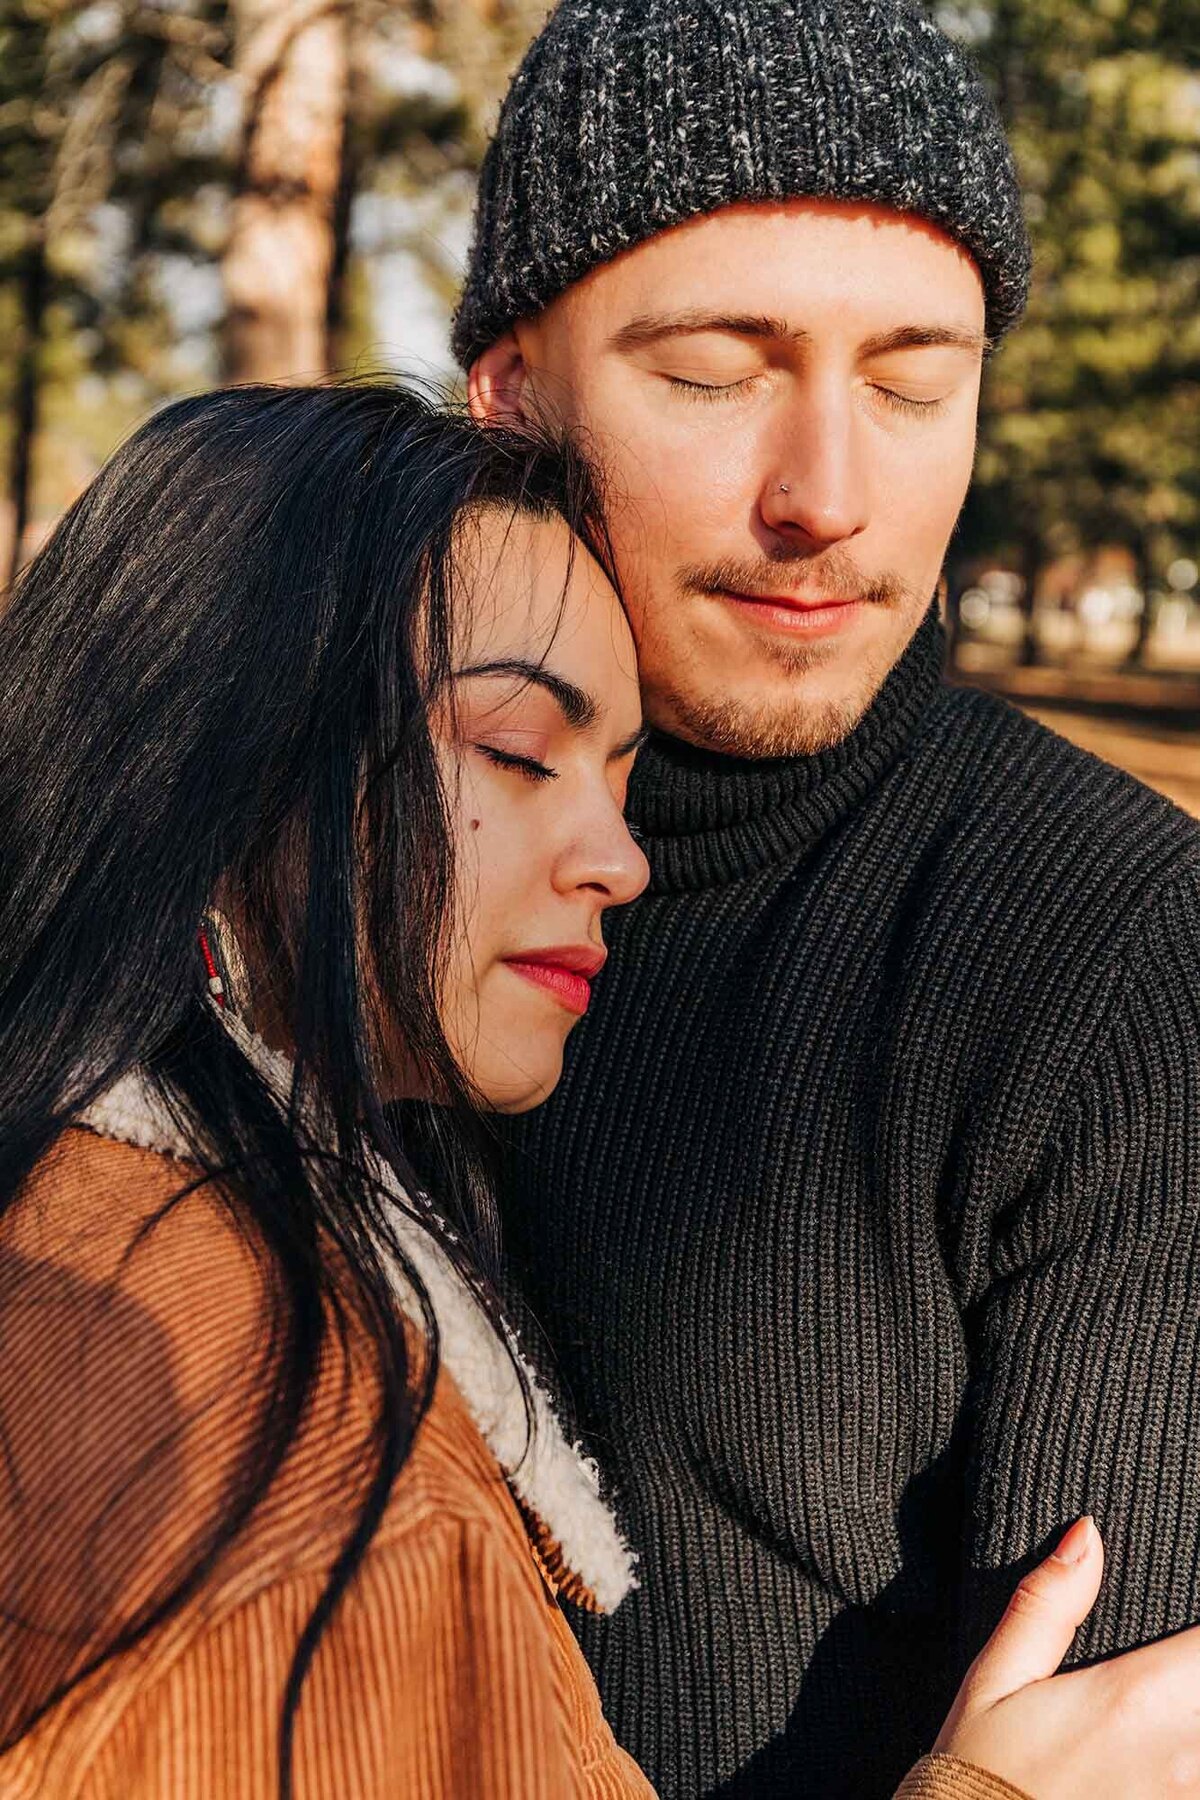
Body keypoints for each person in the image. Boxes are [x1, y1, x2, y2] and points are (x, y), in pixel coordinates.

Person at [3, 381, 1197, 1800]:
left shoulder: (103, 1213)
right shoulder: (310, 1490)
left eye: (618, 779)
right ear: (213, 751)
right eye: (516, 750)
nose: (617, 860)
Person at [455, 1, 1200, 1795]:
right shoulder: (281, 877)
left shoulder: (1114, 950)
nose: (829, 499)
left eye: (913, 381)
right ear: (509, 394)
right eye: (713, 372)